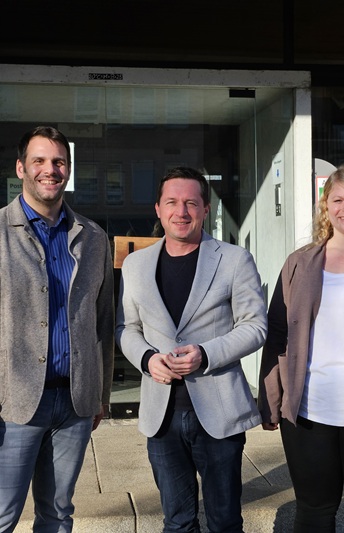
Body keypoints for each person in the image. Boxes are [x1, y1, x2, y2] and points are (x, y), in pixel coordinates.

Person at [116, 166, 267, 533]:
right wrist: (147, 359)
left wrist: (206, 353)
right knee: (177, 523)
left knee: (225, 522)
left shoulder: (234, 259)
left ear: (205, 209)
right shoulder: (135, 265)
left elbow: (255, 327)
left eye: (191, 203)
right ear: (157, 209)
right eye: (171, 202)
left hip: (219, 413)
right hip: (161, 415)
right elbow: (126, 328)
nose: (181, 212)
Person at [259, 164, 344, 532]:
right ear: (325, 206)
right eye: (337, 200)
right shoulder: (299, 263)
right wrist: (270, 400)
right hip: (309, 410)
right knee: (313, 512)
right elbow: (277, 335)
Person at [0, 126, 115, 532]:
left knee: (58, 515)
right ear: (21, 168)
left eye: (59, 162)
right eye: (40, 161)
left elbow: (103, 321)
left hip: (74, 404)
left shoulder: (94, 238)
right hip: (12, 405)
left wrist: (100, 394)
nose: (50, 170)